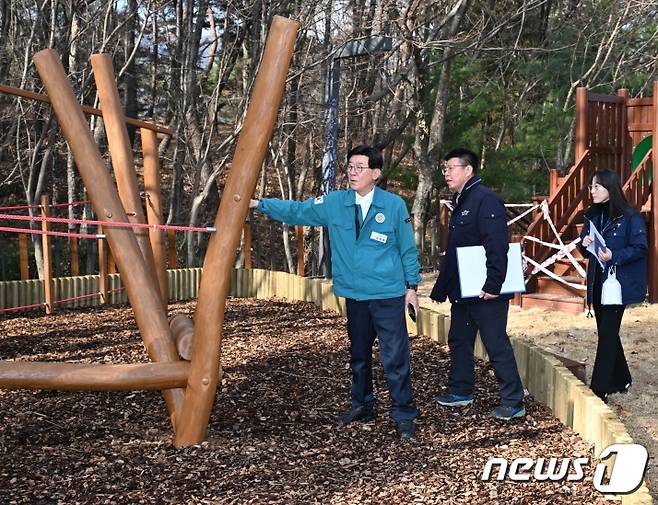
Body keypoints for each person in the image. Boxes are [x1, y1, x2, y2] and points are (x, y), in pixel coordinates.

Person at [249, 145, 421, 439]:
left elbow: (407, 249)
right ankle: (363, 403)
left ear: (375, 173)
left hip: (387, 294)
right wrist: (259, 204)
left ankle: (403, 413)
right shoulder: (334, 202)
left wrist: (412, 288)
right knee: (359, 355)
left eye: (359, 167)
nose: (352, 172)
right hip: (355, 295)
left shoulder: (394, 206)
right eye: (350, 166)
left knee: (394, 357)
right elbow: (298, 211)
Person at [430, 147, 525, 420]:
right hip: (464, 289)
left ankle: (513, 400)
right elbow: (457, 248)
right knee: (459, 339)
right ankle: (461, 390)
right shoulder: (462, 199)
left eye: (451, 168)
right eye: (445, 169)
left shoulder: (485, 200)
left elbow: (497, 245)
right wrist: (442, 288)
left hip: (486, 290)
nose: (446, 173)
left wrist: (494, 284)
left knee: (495, 344)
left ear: (468, 170)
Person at [579, 169, 647, 403]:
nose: (592, 191)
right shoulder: (592, 215)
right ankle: (621, 378)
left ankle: (599, 390)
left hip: (616, 285)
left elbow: (640, 248)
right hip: (597, 281)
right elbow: (582, 246)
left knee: (607, 335)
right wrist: (584, 243)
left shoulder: (630, 216)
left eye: (597, 187)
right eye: (591, 187)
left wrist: (614, 255)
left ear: (610, 188)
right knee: (608, 333)